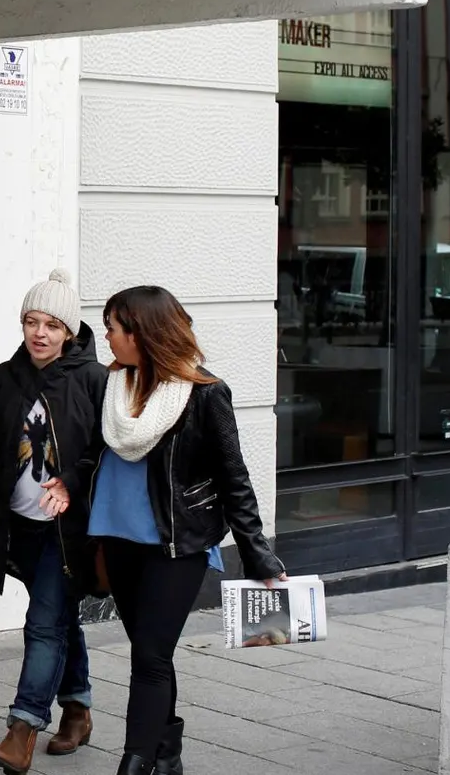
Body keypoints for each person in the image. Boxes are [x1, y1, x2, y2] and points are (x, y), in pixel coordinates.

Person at [92, 285, 287, 775]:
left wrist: (258, 554)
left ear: (142, 332)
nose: (107, 337)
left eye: (114, 327)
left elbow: (234, 479)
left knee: (151, 658)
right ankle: (167, 754)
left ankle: (134, 762)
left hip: (175, 545)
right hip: (117, 540)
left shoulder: (205, 395)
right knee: (148, 650)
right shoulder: (113, 386)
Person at [0, 269, 106, 775]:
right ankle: (77, 708)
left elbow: (105, 451)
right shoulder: (4, 378)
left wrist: (71, 479)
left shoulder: (93, 380)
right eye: (32, 321)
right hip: (17, 524)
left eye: (52, 324)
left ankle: (22, 729)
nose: (40, 333)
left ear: (69, 331)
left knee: (43, 626)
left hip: (66, 530)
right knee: (58, 617)